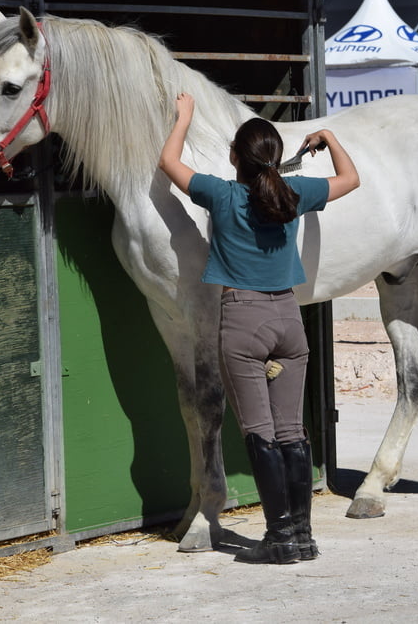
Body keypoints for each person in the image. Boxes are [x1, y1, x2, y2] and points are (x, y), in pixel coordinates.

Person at [159, 92, 359, 564]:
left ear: (234, 157)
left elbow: (168, 161)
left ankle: (279, 538)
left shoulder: (221, 194)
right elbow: (351, 178)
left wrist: (184, 117)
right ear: (273, 158)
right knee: (292, 430)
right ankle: (304, 537)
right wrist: (328, 138)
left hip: (243, 320)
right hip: (289, 319)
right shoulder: (295, 193)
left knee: (260, 433)